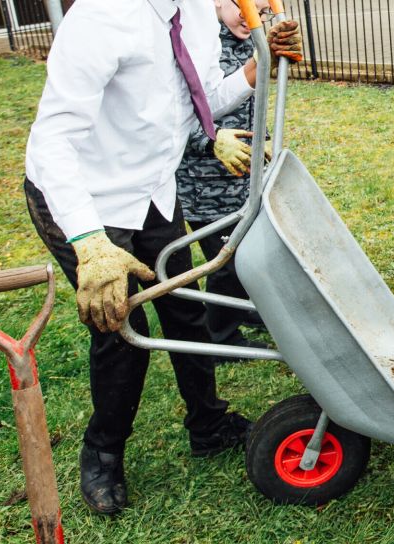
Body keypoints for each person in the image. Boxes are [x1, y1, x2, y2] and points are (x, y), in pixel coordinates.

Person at [23, 0, 302, 514]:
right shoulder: (101, 17)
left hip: (151, 191)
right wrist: (88, 242)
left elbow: (196, 98)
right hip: (84, 201)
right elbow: (52, 141)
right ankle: (103, 453)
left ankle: (209, 424)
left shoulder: (190, 10)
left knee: (185, 309)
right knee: (119, 330)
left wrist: (250, 71)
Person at [176, 0, 274, 352]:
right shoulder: (196, 43)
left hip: (241, 177)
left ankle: (244, 309)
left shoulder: (246, 41)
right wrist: (211, 139)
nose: (254, 19)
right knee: (226, 261)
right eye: (247, 9)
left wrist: (259, 138)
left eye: (263, 13)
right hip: (203, 182)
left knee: (249, 250)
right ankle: (220, 333)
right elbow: (178, 117)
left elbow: (248, 101)